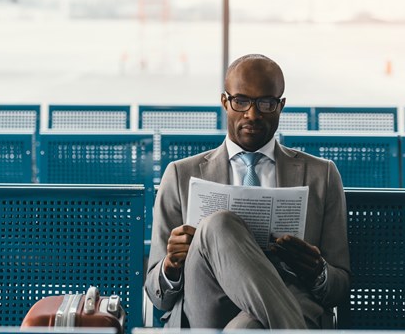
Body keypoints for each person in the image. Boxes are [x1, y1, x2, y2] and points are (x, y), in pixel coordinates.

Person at [145, 54, 350, 329]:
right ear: (224, 102)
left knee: (243, 330)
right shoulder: (181, 174)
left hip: (288, 303)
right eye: (241, 101)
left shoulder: (321, 175)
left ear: (281, 105)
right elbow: (157, 295)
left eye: (266, 103)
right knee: (217, 225)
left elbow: (339, 286)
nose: (252, 114)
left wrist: (317, 271)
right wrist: (171, 265)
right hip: (207, 304)